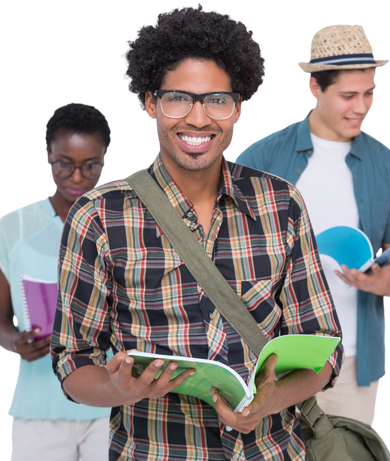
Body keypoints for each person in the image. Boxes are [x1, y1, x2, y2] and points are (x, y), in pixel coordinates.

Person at [50, 4, 343, 461]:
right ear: (150, 103)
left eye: (217, 100)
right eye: (178, 98)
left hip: (269, 451)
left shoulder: (281, 204)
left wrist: (268, 401)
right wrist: (118, 388)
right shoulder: (98, 215)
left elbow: (323, 352)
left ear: (238, 110)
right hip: (152, 451)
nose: (199, 118)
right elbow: (72, 360)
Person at [233, 21, 390, 426]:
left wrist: (383, 283)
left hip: (353, 361)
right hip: (270, 358)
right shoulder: (259, 158)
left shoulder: (389, 166)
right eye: (348, 95)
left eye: (370, 93)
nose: (362, 106)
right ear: (313, 88)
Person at [0, 101, 113, 460]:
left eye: (91, 166)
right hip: (39, 409)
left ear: (105, 159)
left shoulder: (122, 223)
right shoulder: (13, 227)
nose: (77, 178)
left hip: (111, 404)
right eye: (64, 165)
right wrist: (16, 343)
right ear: (47, 156)